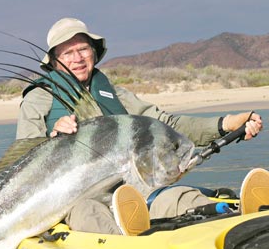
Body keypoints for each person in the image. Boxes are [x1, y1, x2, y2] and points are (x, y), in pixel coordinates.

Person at [16, 18, 263, 235]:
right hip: (75, 201)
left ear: (93, 52)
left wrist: (226, 123)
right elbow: (21, 162)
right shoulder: (39, 98)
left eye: (83, 49)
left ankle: (241, 224)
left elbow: (169, 126)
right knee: (88, 213)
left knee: (180, 197)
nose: (77, 58)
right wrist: (52, 139)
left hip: (135, 192)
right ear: (55, 61)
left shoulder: (117, 96)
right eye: (68, 53)